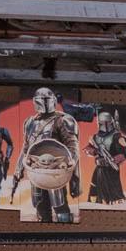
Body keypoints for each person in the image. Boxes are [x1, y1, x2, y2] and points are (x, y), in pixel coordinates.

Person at [20, 88, 94, 223]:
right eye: (42, 100)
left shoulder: (63, 120)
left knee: (60, 206)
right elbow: (26, 148)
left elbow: (72, 146)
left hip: (56, 170)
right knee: (40, 205)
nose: (45, 103)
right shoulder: (29, 122)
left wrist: (69, 164)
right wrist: (18, 170)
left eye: (47, 99)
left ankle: (64, 232)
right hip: (35, 170)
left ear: (53, 101)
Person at [85, 111, 126, 205]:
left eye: (101, 123)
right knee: (95, 189)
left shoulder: (117, 136)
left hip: (111, 168)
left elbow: (125, 154)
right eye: (99, 123)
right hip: (99, 167)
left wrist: (116, 159)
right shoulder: (95, 137)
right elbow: (87, 149)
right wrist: (94, 151)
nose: (99, 125)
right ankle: (95, 204)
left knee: (113, 191)